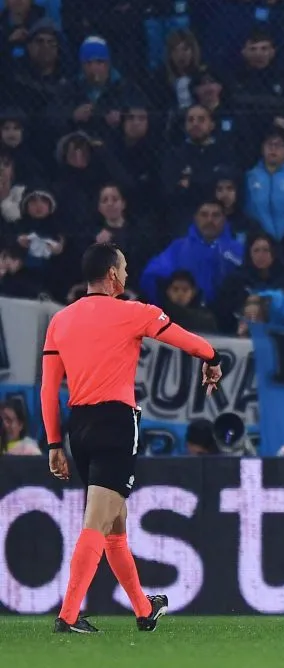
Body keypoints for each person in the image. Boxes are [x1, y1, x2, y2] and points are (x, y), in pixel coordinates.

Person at [42, 243, 223, 634]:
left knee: (115, 524)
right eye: (123, 267)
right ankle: (69, 616)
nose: (126, 274)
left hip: (80, 426)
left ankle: (144, 609)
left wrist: (55, 443)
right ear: (111, 275)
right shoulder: (134, 313)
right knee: (97, 520)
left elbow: (47, 389)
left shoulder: (60, 321)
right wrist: (213, 358)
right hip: (116, 422)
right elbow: (188, 341)